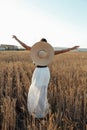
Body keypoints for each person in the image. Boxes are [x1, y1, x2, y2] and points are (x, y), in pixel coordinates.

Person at [12, 35, 79, 118]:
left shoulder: (38, 52)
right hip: (45, 72)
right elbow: (62, 51)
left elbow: (25, 46)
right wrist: (17, 39)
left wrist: (71, 48)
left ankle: (39, 111)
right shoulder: (48, 53)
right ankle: (39, 110)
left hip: (40, 71)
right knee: (41, 90)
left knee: (38, 89)